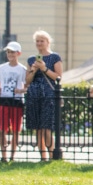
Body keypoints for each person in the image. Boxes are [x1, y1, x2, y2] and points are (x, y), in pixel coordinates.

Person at [24, 30, 62, 161]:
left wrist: (44, 68)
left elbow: (58, 77)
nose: (39, 43)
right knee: (38, 127)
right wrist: (34, 70)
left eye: (42, 41)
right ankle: (43, 157)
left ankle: (52, 155)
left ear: (48, 42)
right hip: (34, 94)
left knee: (47, 127)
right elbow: (27, 81)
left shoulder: (54, 57)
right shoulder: (31, 59)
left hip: (49, 95)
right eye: (37, 41)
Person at [0, 41, 27, 162]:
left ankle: (12, 156)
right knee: (3, 129)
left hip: (17, 100)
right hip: (4, 99)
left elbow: (27, 86)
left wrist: (20, 90)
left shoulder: (22, 69)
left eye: (12, 52)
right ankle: (4, 155)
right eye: (8, 52)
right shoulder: (2, 68)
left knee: (15, 130)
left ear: (18, 53)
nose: (10, 54)